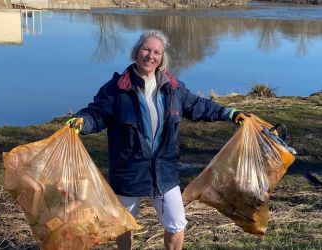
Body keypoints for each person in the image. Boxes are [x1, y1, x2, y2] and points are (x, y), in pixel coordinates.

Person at [68, 29, 249, 250]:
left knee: (176, 224)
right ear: (136, 52)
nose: (150, 56)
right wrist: (80, 122)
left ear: (161, 58)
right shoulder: (116, 89)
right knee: (124, 226)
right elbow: (96, 114)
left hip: (163, 171)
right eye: (146, 49)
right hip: (128, 171)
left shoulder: (173, 88)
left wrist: (229, 113)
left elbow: (199, 106)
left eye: (156, 52)